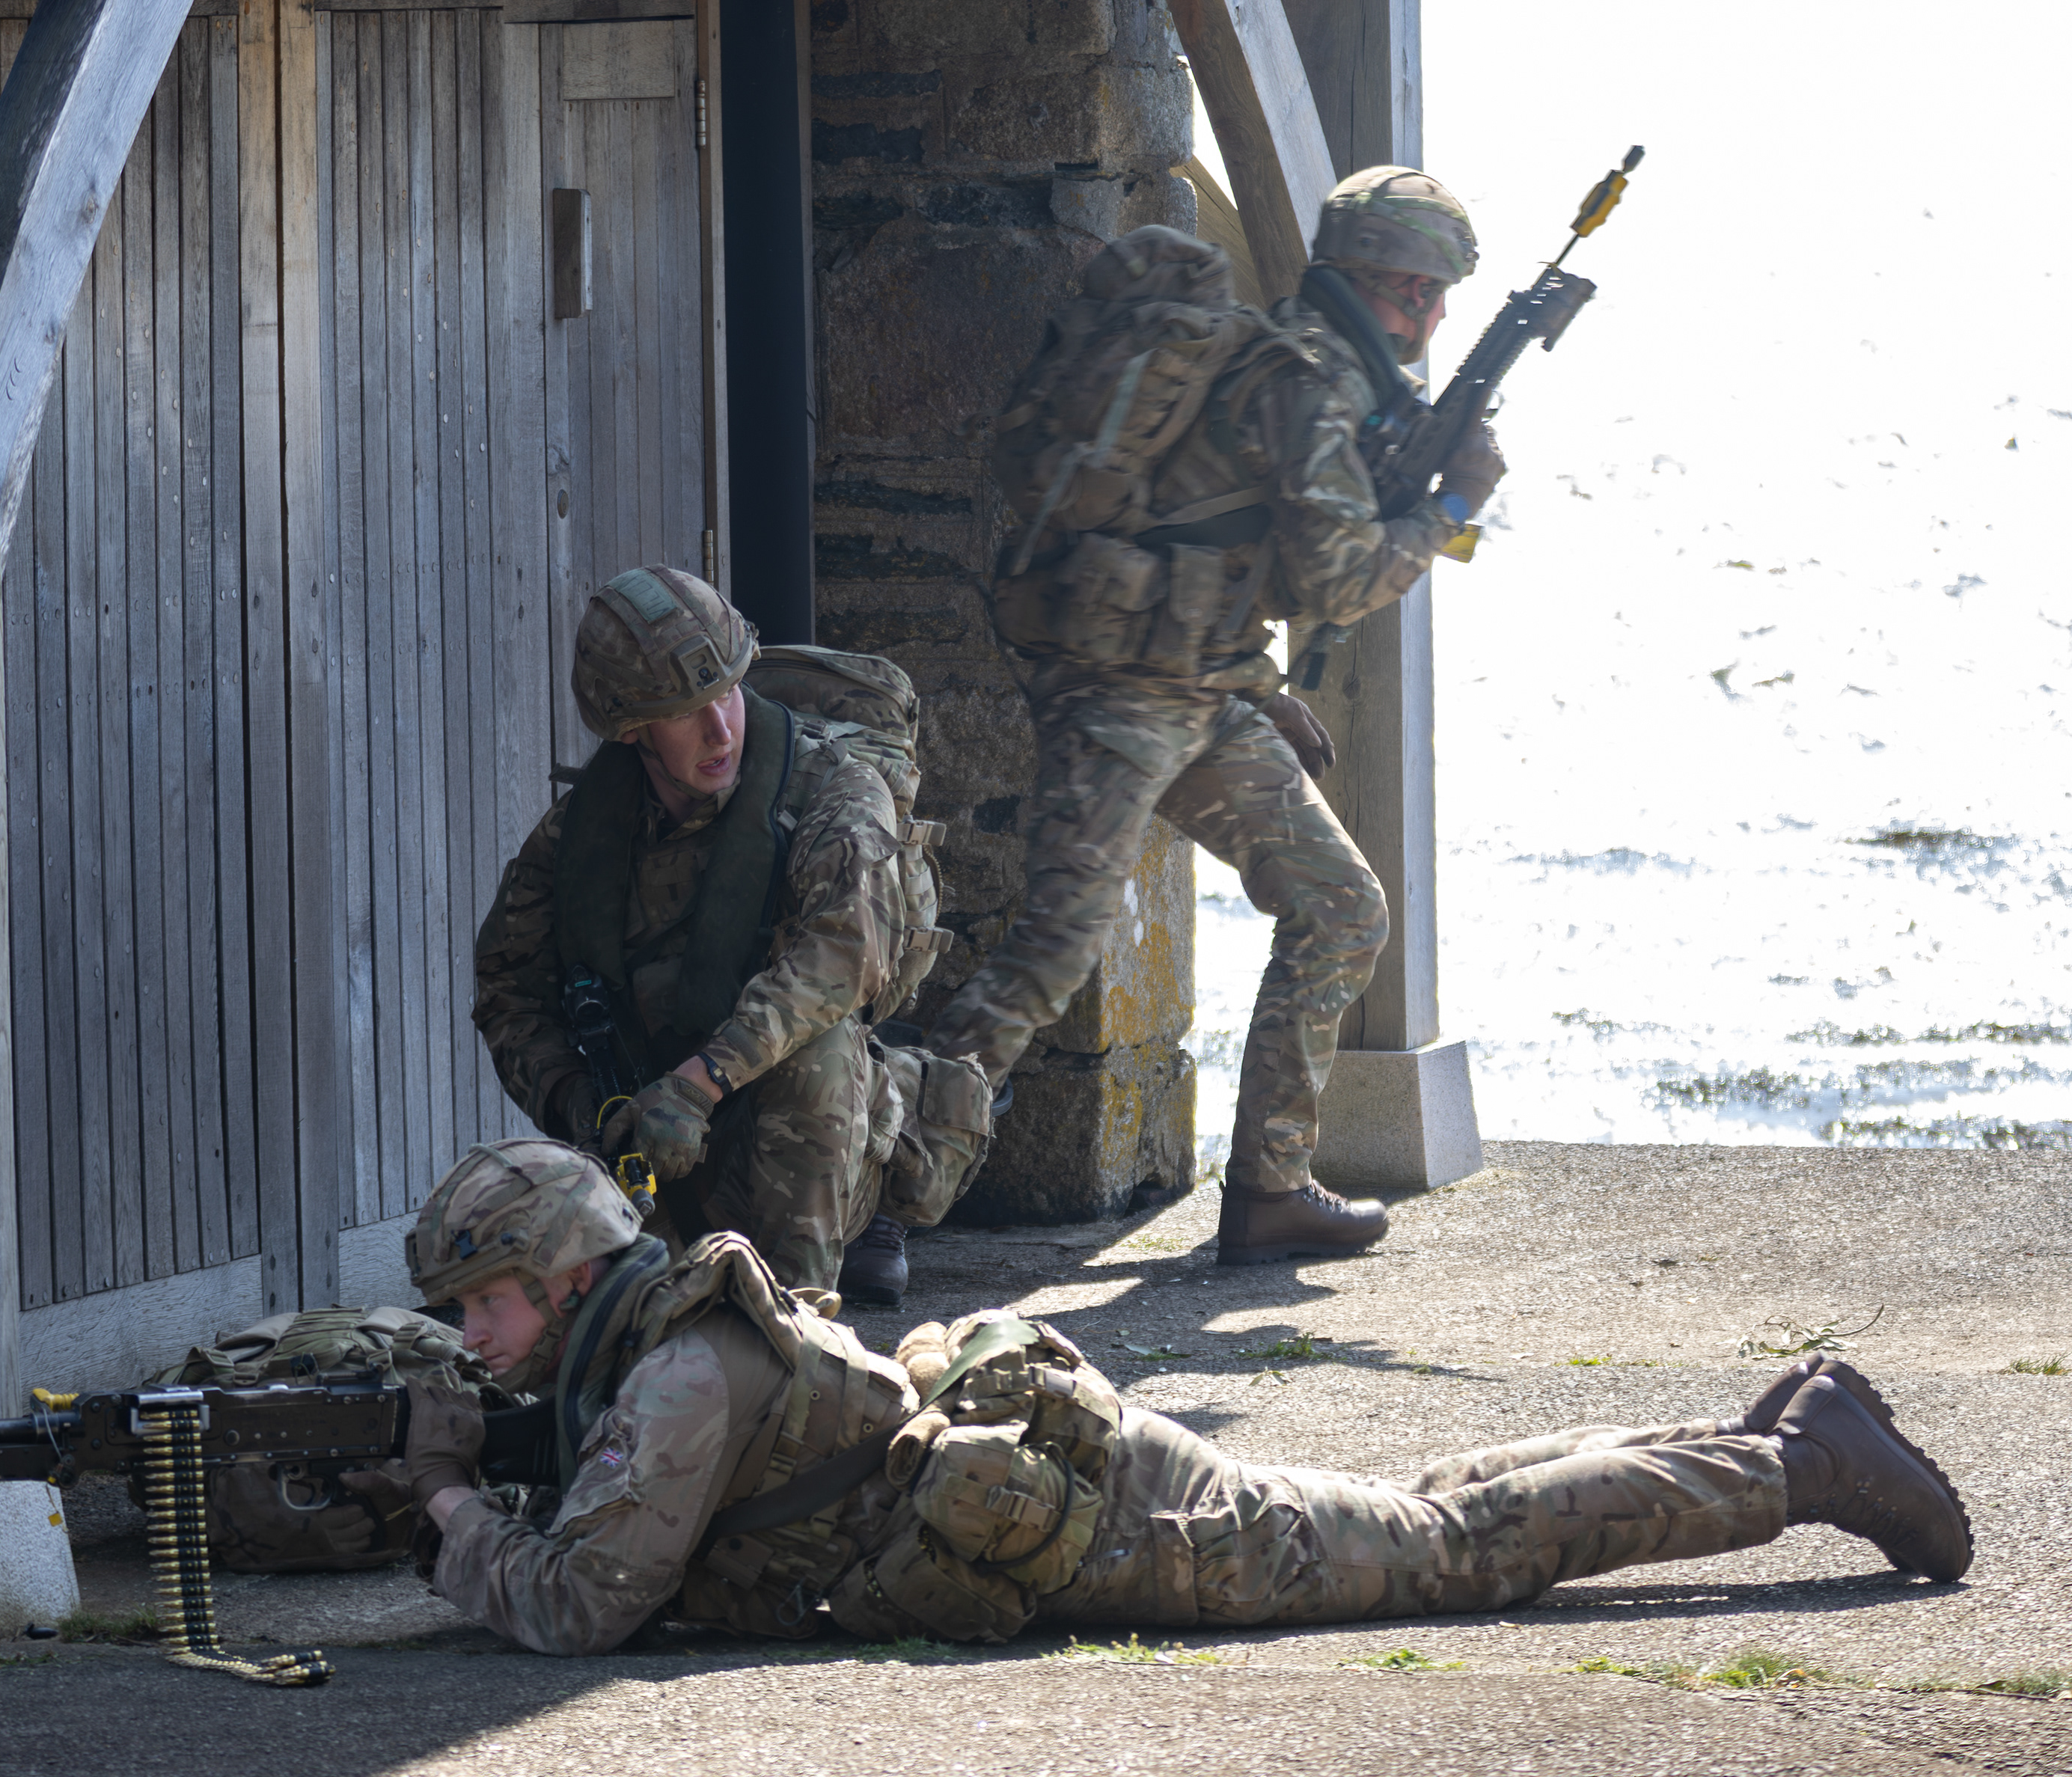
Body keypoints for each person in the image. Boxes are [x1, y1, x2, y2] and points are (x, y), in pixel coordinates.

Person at [385, 1140, 1974, 1656]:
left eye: (485, 1300)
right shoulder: (657, 1340)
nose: (473, 1332)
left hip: (1116, 1532)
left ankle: (1801, 1468)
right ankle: (1773, 1432)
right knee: (1428, 1502)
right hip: (1075, 1488)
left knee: (1452, 1548)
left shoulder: (672, 1375)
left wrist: (450, 1508)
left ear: (562, 1276)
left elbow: (582, 1605)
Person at [924, 168, 1509, 1265]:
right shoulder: (1307, 381)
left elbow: (1234, 545)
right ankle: (882, 1198)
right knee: (1054, 948)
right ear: (1388, 285)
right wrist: (1451, 506)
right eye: (1424, 293)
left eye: (1439, 299)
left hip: (1204, 687)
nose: (1433, 319)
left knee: (1340, 906)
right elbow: (1339, 580)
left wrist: (1261, 689)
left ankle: (1271, 1189)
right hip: (1120, 689)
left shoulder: (1304, 366)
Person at [470, 566, 968, 1301]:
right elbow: (507, 989)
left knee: (819, 1054)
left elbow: (847, 951)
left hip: (812, 1142)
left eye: (730, 692)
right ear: (632, 727)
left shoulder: (832, 787)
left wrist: (699, 1084)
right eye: (686, 713)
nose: (721, 730)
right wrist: (581, 1103)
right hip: (654, 1144)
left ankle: (800, 1328)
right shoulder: (578, 837)